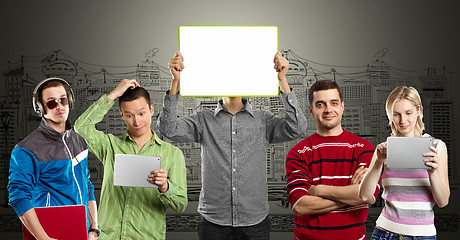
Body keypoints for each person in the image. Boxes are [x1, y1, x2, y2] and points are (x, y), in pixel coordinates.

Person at [157, 51, 307, 239]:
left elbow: (298, 128)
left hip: (255, 221)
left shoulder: (264, 120)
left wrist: (282, 80)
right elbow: (167, 129)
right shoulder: (204, 120)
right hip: (213, 221)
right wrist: (176, 81)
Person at [74, 79, 188, 240]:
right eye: (129, 115)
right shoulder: (110, 146)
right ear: (122, 115)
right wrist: (113, 94)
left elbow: (181, 204)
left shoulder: (172, 154)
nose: (137, 121)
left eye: (141, 113)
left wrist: (165, 186)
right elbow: (81, 128)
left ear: (151, 110)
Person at [285, 79, 378, 240]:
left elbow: (368, 196)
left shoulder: (365, 149)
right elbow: (300, 206)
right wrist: (351, 194)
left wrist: (320, 190)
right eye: (320, 104)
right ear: (311, 110)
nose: (328, 110)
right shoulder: (298, 153)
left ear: (342, 107)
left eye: (334, 103)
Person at [8, 77, 99, 240]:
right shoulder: (26, 149)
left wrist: (94, 229)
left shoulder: (79, 141)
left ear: (69, 101)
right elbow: (19, 196)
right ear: (40, 108)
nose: (59, 106)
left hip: (81, 234)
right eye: (51, 102)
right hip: (50, 233)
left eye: (63, 100)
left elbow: (88, 186)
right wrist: (44, 239)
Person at [359, 86, 450, 239]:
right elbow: (364, 195)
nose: (403, 121)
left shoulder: (437, 147)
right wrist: (377, 162)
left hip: (424, 235)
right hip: (385, 232)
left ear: (419, 110)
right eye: (396, 114)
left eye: (408, 113)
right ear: (390, 116)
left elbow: (443, 201)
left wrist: (432, 172)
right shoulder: (384, 149)